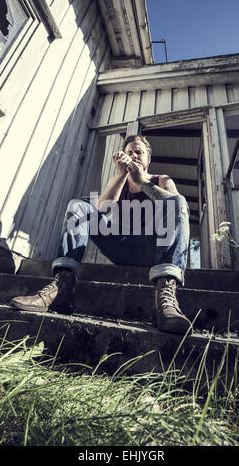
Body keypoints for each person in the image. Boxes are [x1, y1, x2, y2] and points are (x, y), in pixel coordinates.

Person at [11, 134, 192, 334]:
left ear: (148, 158)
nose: (133, 155)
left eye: (138, 152)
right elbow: (101, 211)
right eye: (129, 152)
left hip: (151, 250)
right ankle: (63, 285)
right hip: (119, 246)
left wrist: (141, 182)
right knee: (78, 206)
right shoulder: (117, 180)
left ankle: (165, 295)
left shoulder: (162, 179)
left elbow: (176, 205)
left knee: (177, 202)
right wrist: (122, 175)